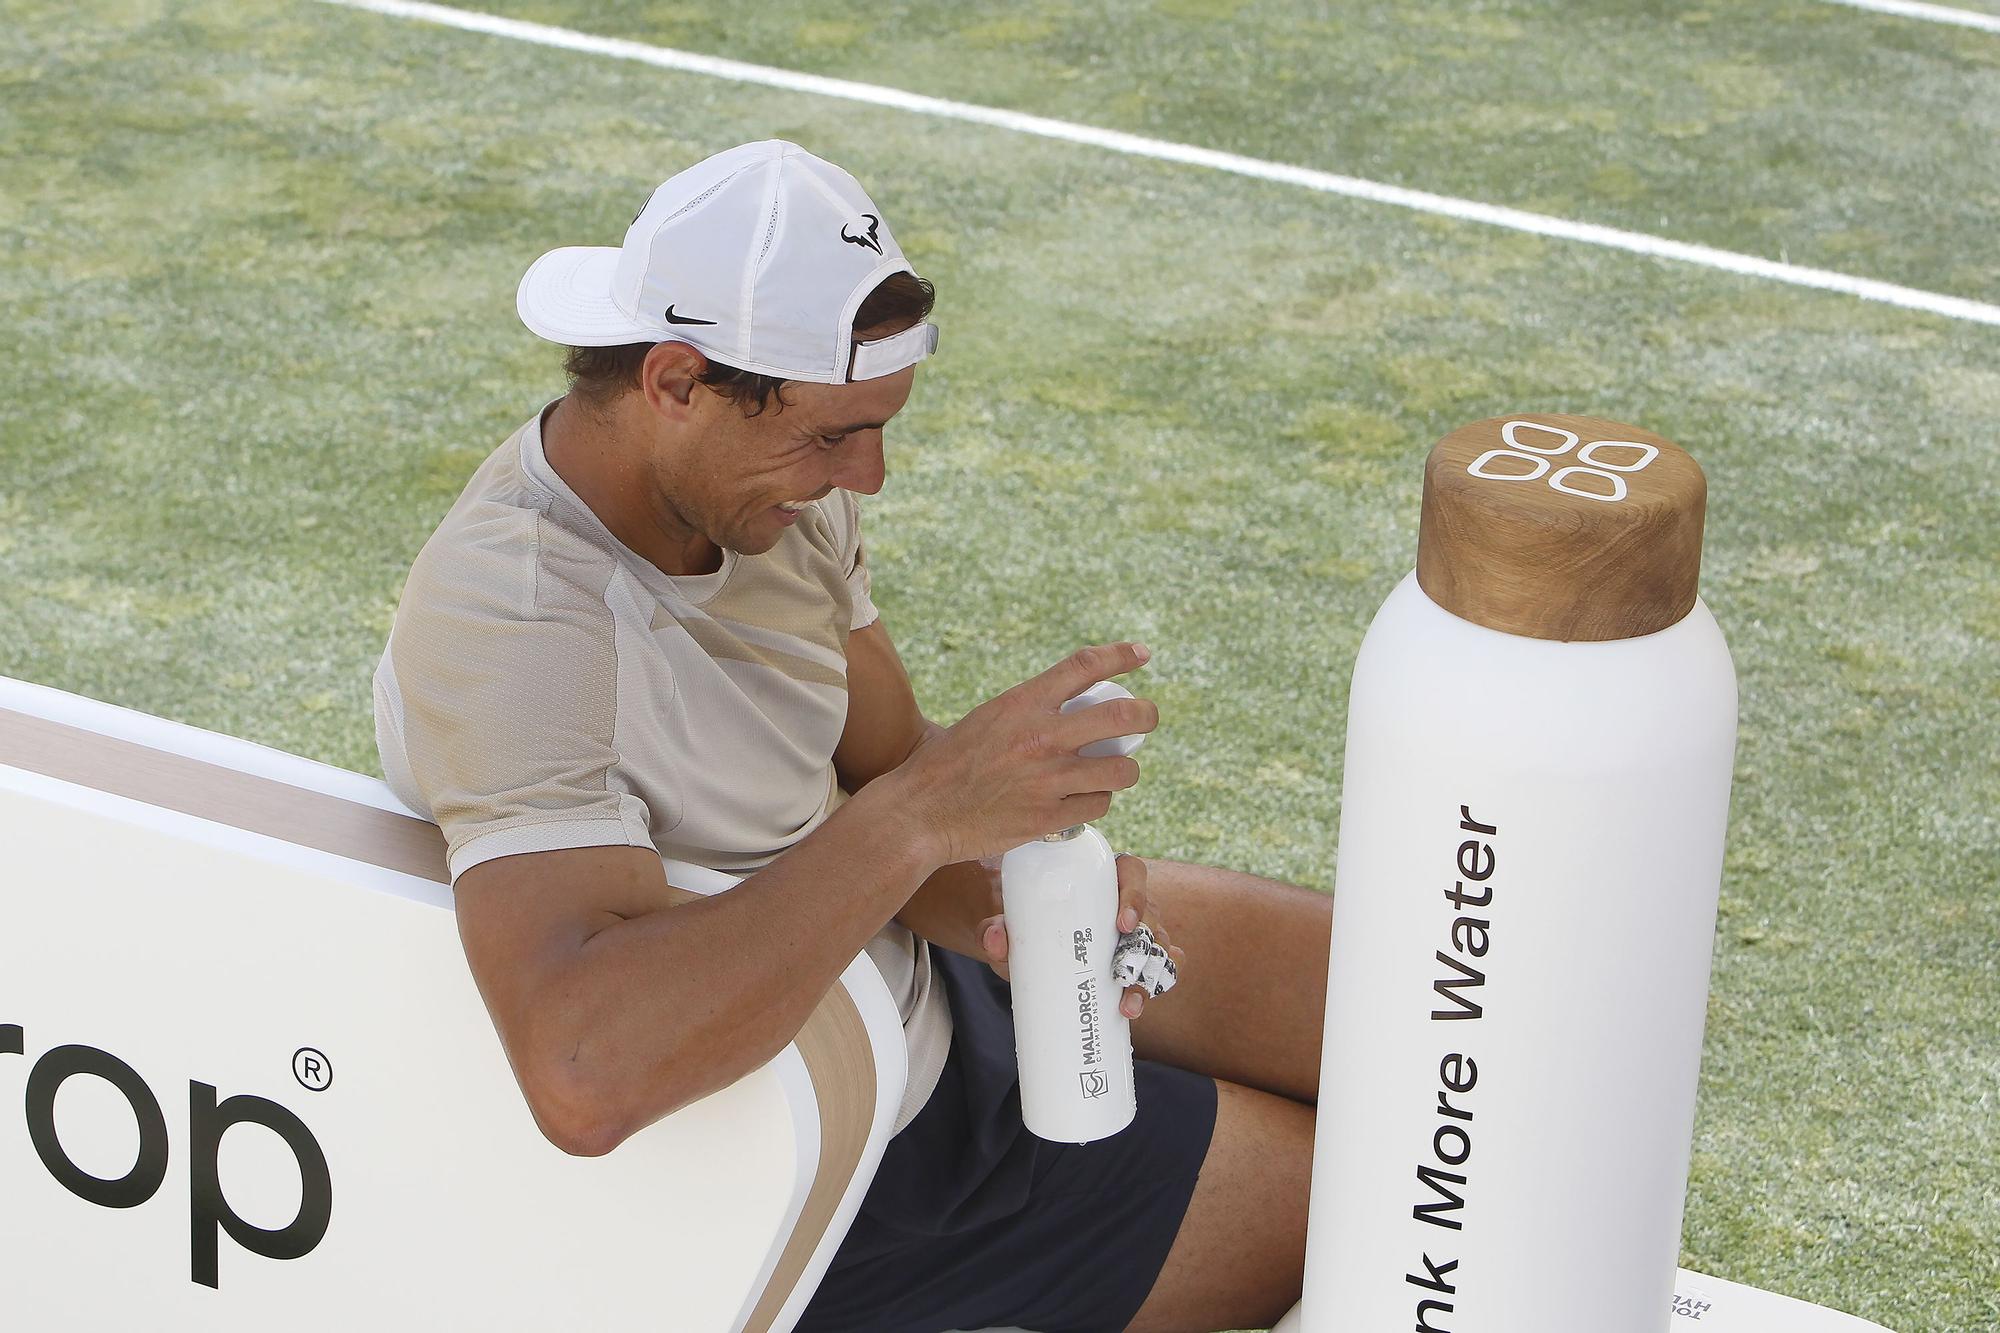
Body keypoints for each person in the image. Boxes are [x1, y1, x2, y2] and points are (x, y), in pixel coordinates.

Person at [372, 139, 1331, 1333]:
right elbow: (581, 1073)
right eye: (831, 436)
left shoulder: (770, 506)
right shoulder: (521, 621)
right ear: (674, 381)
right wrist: (925, 817)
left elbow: (886, 775)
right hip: (853, 1158)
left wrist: (1013, 885)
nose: (862, 478)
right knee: (1355, 1201)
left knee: (1379, 999)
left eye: (877, 429)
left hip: (922, 990)